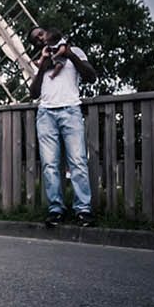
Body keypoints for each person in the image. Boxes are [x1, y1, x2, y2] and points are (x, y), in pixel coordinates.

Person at [29, 24, 96, 227]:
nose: (40, 38)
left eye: (40, 33)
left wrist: (70, 56)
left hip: (70, 109)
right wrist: (42, 68)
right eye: (36, 39)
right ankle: (55, 209)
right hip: (46, 113)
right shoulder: (41, 59)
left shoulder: (75, 51)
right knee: (50, 165)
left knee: (77, 161)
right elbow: (33, 93)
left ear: (49, 33)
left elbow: (91, 76)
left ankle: (83, 210)